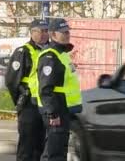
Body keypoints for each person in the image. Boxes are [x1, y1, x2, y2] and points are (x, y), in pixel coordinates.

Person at [36, 18, 82, 161]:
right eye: (63, 32)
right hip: (56, 110)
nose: (67, 34)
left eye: (68, 32)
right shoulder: (50, 56)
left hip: (64, 109)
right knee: (53, 152)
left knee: (60, 151)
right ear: (53, 35)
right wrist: (52, 113)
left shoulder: (62, 54)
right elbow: (46, 88)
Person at [5, 19, 49, 161]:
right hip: (29, 105)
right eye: (39, 31)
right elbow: (12, 81)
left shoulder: (51, 51)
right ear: (31, 33)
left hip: (46, 105)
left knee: (41, 146)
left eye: (45, 31)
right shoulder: (23, 52)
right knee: (27, 146)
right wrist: (20, 100)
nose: (43, 34)